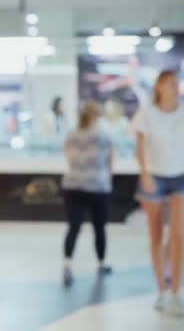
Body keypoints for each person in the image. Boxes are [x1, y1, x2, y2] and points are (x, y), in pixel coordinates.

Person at [132, 69, 184, 316]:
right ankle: (161, 292)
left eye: (177, 82)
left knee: (178, 235)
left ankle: (175, 293)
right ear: (160, 86)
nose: (175, 87)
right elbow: (139, 146)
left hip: (180, 177)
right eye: (170, 83)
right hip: (154, 176)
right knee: (155, 235)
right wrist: (144, 174)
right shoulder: (147, 114)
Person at [61, 102, 114, 286]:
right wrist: (108, 177)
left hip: (73, 184)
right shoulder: (103, 133)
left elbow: (66, 154)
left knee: (73, 227)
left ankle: (67, 265)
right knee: (99, 227)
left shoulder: (72, 133)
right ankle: (101, 264)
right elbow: (110, 158)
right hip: (98, 186)